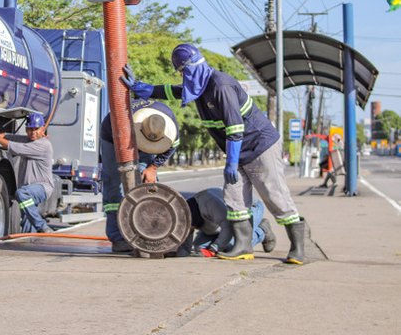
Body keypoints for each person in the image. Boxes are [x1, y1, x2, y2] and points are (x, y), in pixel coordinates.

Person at [121, 44, 306, 264]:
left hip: (259, 146)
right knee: (234, 198)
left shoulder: (220, 85)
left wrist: (232, 163)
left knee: (274, 195)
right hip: (236, 150)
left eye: (183, 72)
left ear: (191, 68)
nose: (183, 76)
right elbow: (175, 91)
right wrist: (146, 89)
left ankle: (298, 247)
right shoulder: (199, 87)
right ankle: (243, 246)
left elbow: (235, 127)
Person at [100, 97, 180, 252]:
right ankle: (117, 237)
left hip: (142, 135)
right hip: (114, 136)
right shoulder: (124, 123)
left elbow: (173, 147)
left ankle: (151, 233)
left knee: (148, 184)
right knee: (114, 185)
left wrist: (152, 167)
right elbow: (126, 168)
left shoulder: (169, 126)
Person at [0, 113, 55, 233]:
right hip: (29, 188)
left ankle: (42, 226)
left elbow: (13, 146)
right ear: (26, 129)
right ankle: (28, 242)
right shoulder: (28, 140)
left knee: (21, 194)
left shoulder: (43, 145)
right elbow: (13, 138)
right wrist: (4, 135)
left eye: (36, 129)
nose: (33, 132)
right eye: (30, 129)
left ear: (43, 130)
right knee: (27, 217)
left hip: (41, 187)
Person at [184, 187, 276, 257]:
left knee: (233, 246)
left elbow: (227, 226)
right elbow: (185, 246)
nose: (192, 230)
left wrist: (216, 247)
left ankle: (262, 231)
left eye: (192, 228)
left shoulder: (210, 203)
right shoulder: (185, 212)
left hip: (247, 209)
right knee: (199, 248)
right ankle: (222, 240)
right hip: (220, 222)